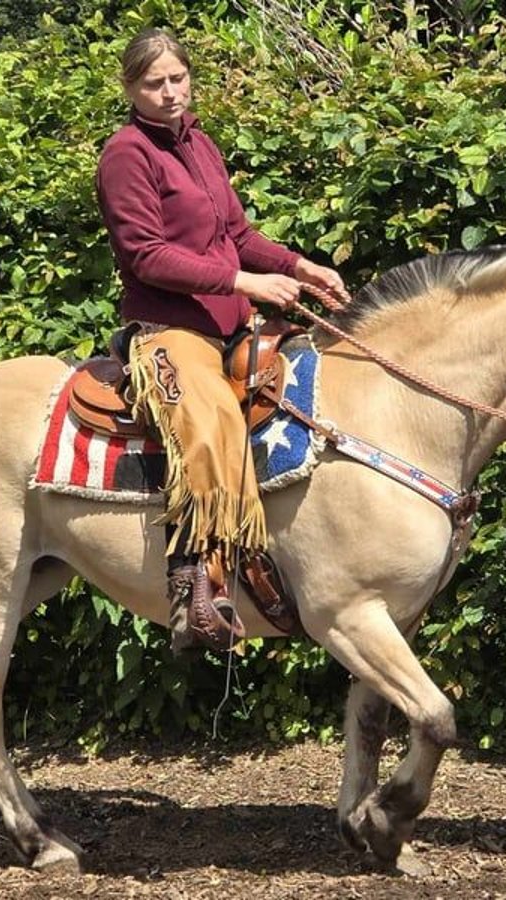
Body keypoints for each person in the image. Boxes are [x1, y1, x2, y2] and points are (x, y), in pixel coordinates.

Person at [95, 27, 344, 654]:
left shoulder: (200, 145)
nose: (170, 92)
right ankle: (193, 588)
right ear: (131, 88)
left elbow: (237, 232)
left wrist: (297, 267)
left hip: (230, 326)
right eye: (154, 83)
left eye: (178, 78)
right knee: (208, 426)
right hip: (168, 333)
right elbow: (146, 255)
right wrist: (242, 279)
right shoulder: (126, 155)